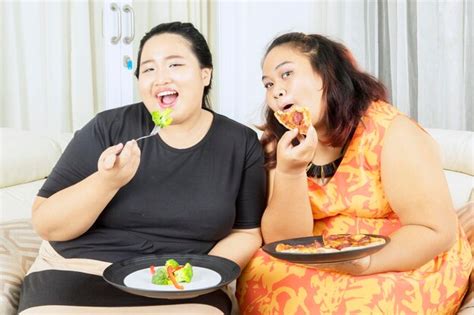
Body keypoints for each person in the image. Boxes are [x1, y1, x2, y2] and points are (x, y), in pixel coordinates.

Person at [18, 22, 266, 315]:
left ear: (205, 74)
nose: (161, 78)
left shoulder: (240, 142)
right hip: (79, 269)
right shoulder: (107, 128)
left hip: (181, 285)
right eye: (148, 69)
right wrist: (106, 182)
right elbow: (47, 224)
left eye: (174, 64)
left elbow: (248, 232)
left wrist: (199, 274)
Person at [237, 32, 471, 314]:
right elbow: (285, 241)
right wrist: (290, 172)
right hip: (320, 255)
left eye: (286, 74)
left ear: (324, 75)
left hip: (402, 253)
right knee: (265, 275)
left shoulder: (391, 131)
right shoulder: (279, 141)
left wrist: (366, 263)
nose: (275, 91)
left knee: (362, 301)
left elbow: (434, 230)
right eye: (269, 84)